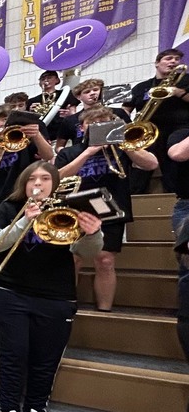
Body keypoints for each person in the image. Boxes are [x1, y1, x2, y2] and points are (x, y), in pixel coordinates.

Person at [0, 162, 103, 412]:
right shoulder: (8, 208)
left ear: (56, 183)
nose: (38, 184)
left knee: (46, 360)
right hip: (10, 292)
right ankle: (9, 407)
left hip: (56, 297)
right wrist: (23, 221)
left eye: (45, 178)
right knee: (12, 355)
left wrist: (93, 234)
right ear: (23, 183)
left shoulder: (69, 210)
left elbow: (86, 253)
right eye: (32, 179)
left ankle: (36, 408)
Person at [55, 108, 158, 311]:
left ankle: (104, 310)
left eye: (104, 122)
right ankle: (65, 305)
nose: (100, 126)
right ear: (82, 127)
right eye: (93, 123)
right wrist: (88, 152)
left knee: (105, 260)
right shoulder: (70, 151)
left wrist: (125, 145)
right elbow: (58, 177)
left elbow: (151, 164)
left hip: (111, 209)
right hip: (76, 209)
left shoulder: (122, 147)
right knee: (73, 259)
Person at [0, 107, 55, 300]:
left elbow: (48, 155)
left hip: (27, 201)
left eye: (3, 121)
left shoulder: (26, 140)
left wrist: (37, 135)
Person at [125, 48, 189, 194]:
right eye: (168, 58)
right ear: (157, 63)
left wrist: (178, 92)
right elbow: (125, 110)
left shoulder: (186, 80)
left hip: (180, 129)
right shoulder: (141, 87)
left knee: (174, 167)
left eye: (177, 59)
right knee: (138, 164)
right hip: (149, 131)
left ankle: (177, 195)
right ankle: (134, 196)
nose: (173, 61)